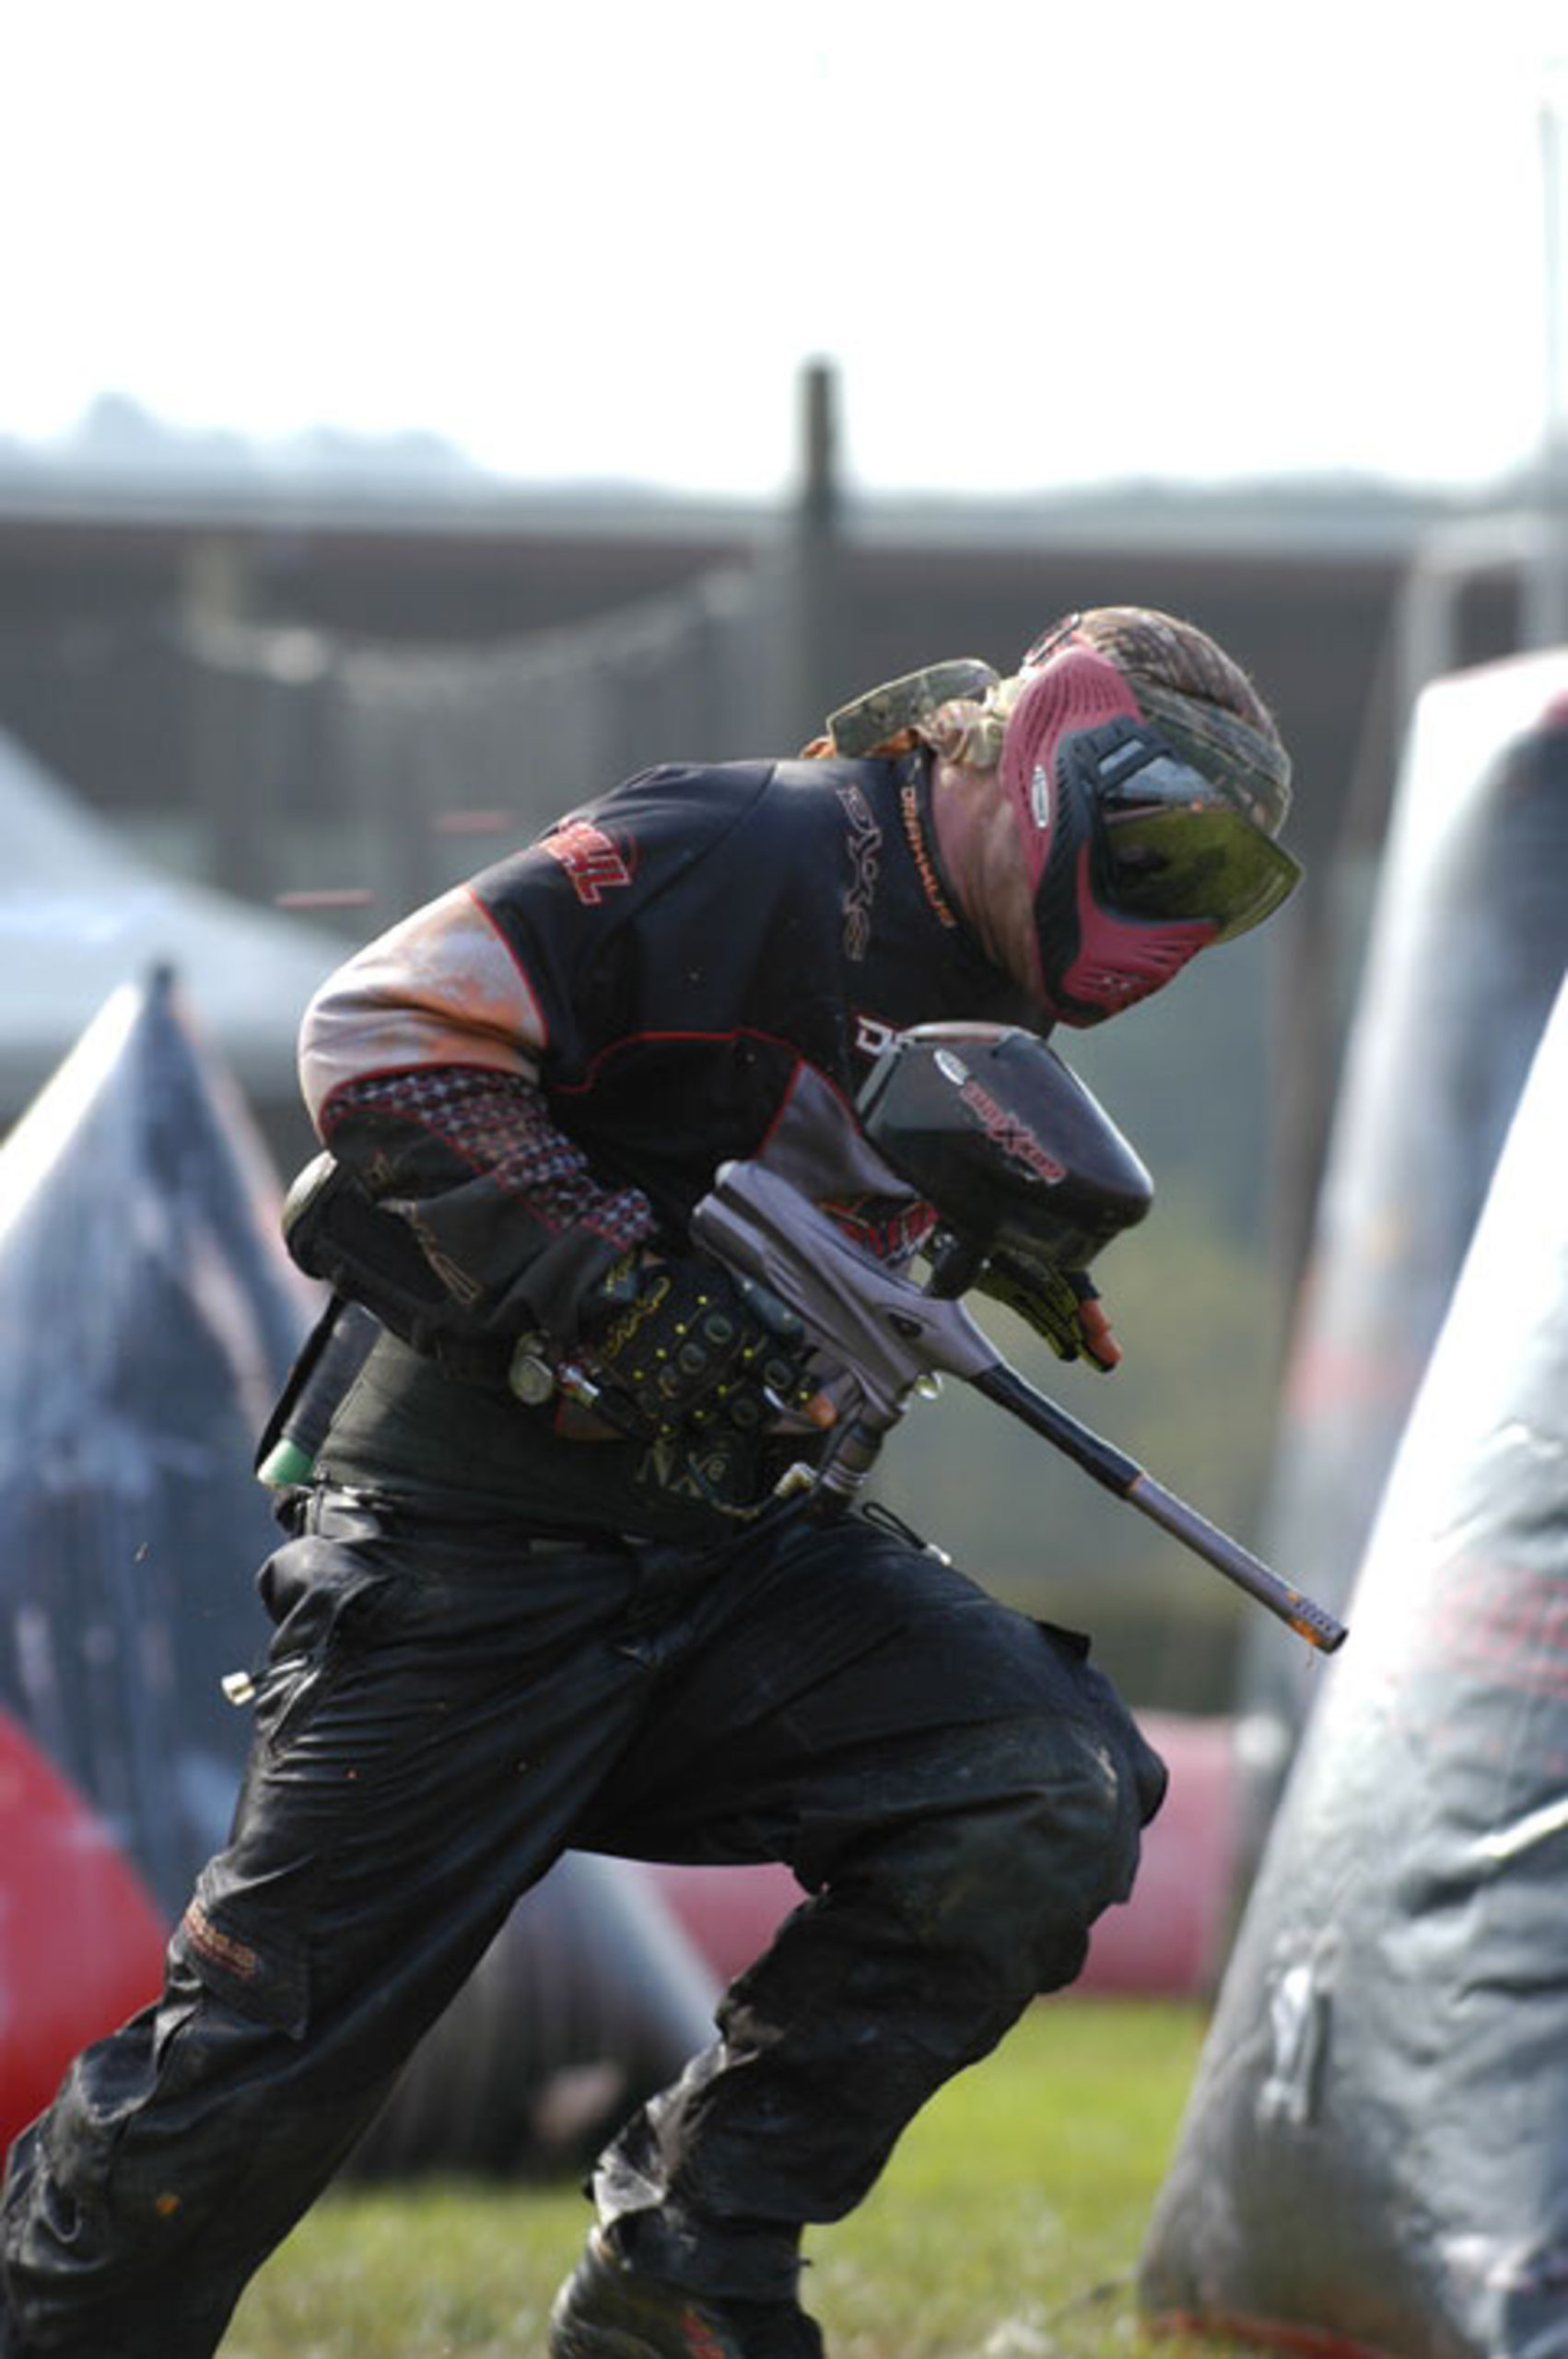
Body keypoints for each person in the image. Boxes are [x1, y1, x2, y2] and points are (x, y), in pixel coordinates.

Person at [0, 604, 1300, 2359]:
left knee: (1035, 1784)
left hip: (727, 1559)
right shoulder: (747, 844)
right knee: (244, 2089)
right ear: (1040, 757)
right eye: (1157, 853)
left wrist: (967, 1243)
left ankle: (683, 2275)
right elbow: (378, 1032)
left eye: (1216, 894)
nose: (1174, 921)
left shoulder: (986, 969)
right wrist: (613, 1281)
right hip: (467, 1553)